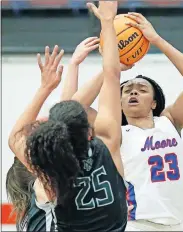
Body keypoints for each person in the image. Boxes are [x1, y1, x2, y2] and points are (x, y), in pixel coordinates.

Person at [65, 13, 183, 231]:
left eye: (142, 90)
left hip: (179, 224)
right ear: (119, 103)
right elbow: (71, 110)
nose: (133, 92)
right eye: (127, 90)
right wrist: (110, 69)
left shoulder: (170, 121)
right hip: (136, 224)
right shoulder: (116, 133)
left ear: (154, 103)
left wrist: (157, 40)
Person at [8, 1, 128, 231]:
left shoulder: (51, 166)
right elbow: (112, 74)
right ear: (90, 131)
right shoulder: (108, 144)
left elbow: (15, 138)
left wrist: (45, 88)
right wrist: (107, 22)